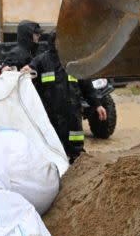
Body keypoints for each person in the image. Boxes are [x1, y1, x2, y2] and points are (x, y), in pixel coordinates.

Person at [28, 31, 106, 162]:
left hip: (72, 113)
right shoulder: (41, 61)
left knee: (75, 144)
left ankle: (77, 165)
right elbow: (28, 75)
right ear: (54, 42)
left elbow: (86, 86)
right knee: (53, 148)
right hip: (51, 115)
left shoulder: (74, 62)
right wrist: (24, 71)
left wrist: (97, 105)